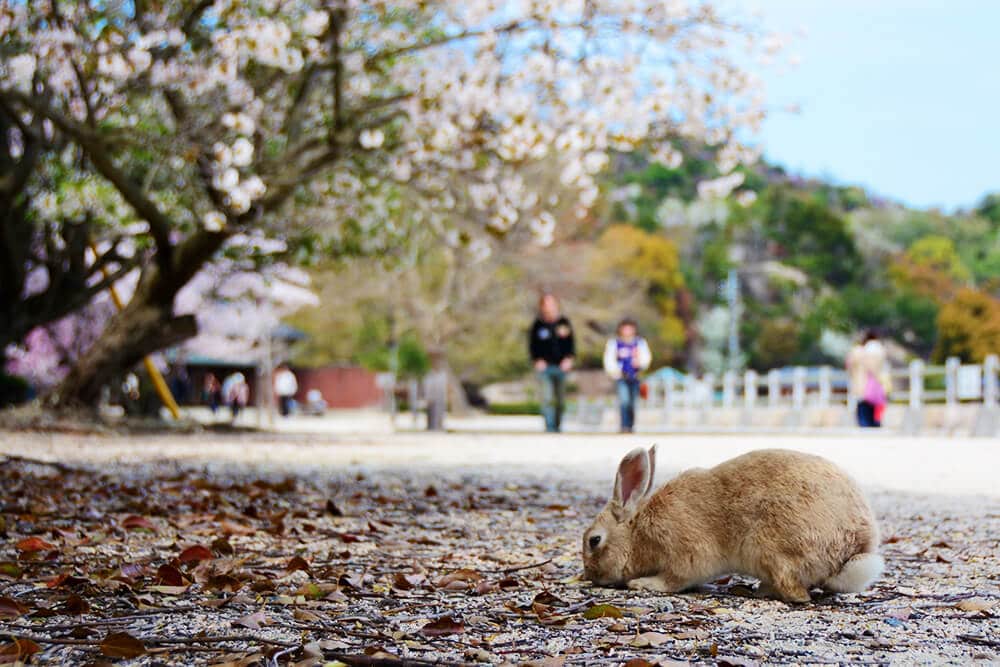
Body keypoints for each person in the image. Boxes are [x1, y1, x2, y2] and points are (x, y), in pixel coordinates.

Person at [528, 293, 575, 433]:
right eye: (546, 303)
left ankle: (558, 425)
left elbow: (571, 344)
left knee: (560, 400)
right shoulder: (538, 324)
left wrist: (569, 359)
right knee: (547, 398)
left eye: (551, 303)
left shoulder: (564, 322)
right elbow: (532, 345)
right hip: (545, 367)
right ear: (542, 306)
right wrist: (537, 360)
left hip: (561, 366)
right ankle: (549, 427)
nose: (549, 306)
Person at [603, 318, 652, 433]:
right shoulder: (614, 343)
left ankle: (631, 425)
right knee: (624, 401)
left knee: (633, 403)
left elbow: (646, 358)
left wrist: (640, 363)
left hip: (635, 377)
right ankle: (624, 426)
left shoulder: (640, 343)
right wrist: (615, 371)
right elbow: (609, 360)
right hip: (621, 378)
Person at [846, 329, 890, 428]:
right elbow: (874, 368)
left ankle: (866, 428)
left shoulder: (857, 351)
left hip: (861, 388)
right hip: (872, 388)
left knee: (863, 413)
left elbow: (849, 367)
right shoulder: (875, 350)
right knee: (872, 414)